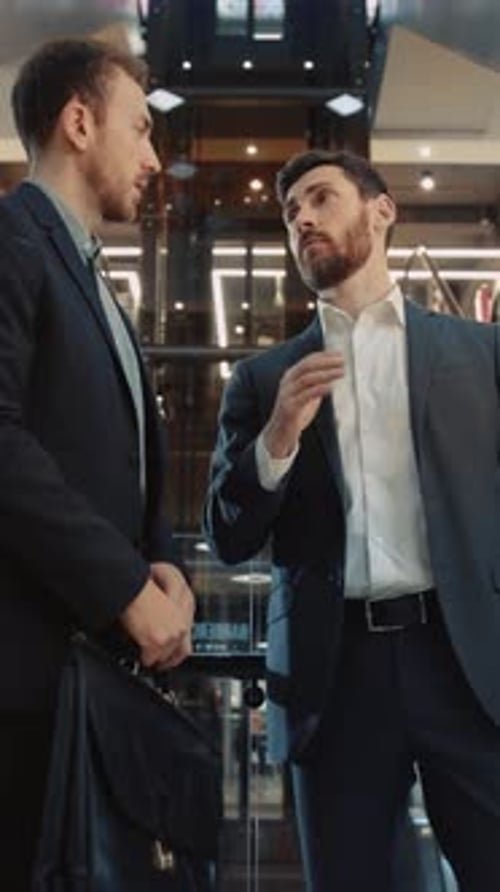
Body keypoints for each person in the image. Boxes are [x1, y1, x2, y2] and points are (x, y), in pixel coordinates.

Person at [203, 148, 500, 891]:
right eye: (290, 212)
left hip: (467, 663)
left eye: (320, 198)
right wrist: (277, 440)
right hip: (335, 678)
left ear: (382, 210)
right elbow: (229, 537)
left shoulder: (481, 354)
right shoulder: (264, 379)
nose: (302, 218)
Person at [0, 38, 195, 892]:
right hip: (23, 678)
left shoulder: (94, 273)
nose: (154, 157)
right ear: (79, 123)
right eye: (141, 129)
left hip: (90, 676)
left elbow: (125, 450)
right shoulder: (11, 241)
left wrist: (168, 568)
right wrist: (124, 588)